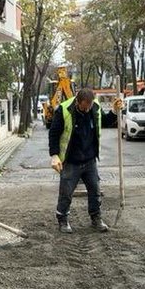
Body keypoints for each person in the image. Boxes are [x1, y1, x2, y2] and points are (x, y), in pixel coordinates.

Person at [49, 87, 109, 233]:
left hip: (89, 159)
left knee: (95, 190)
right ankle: (62, 220)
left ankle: (96, 218)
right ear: (78, 101)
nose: (87, 109)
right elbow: (54, 133)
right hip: (71, 160)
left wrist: (114, 111)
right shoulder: (64, 110)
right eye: (84, 106)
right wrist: (54, 155)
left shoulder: (95, 107)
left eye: (89, 106)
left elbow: (105, 121)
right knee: (66, 192)